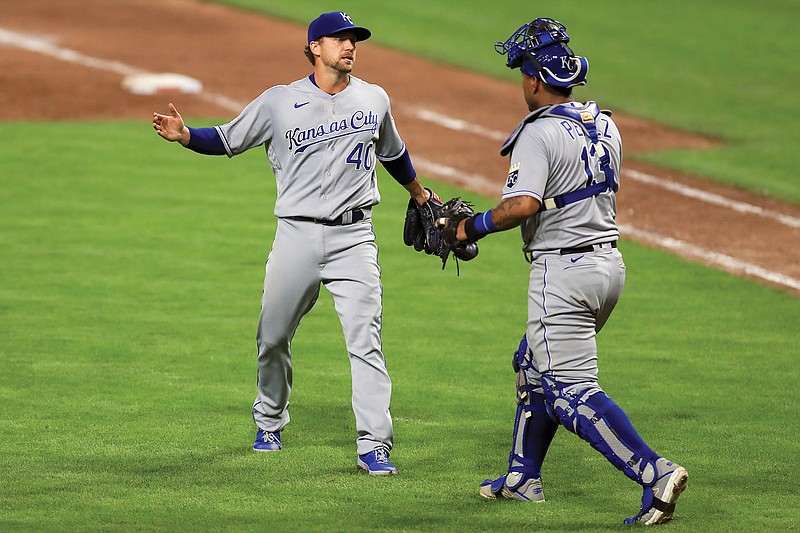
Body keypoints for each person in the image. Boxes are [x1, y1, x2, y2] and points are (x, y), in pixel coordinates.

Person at [152, 11, 440, 476]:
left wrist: (420, 194)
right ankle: (269, 418)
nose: (349, 46)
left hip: (355, 238)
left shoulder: (374, 98)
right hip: (297, 236)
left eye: (354, 40)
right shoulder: (279, 102)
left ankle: (374, 443)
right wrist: (186, 136)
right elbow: (227, 139)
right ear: (314, 47)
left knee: (365, 341)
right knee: (272, 336)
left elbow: (394, 153)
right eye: (339, 39)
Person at [438, 18, 688, 525]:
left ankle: (654, 472)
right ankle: (522, 476)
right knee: (532, 365)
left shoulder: (538, 132)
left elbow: (523, 204)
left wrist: (470, 228)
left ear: (532, 79)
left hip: (564, 273)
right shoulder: (603, 123)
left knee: (570, 389)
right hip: (608, 268)